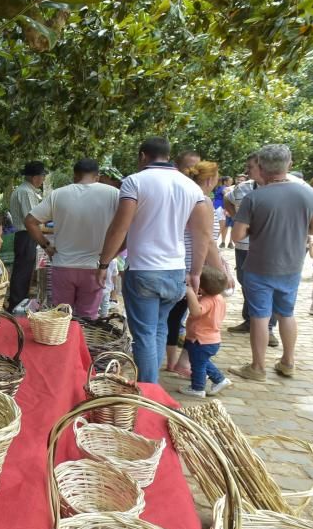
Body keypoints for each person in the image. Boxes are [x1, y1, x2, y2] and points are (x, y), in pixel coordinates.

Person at [97, 137, 212, 383]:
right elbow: (202, 233)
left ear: (142, 156)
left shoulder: (134, 182)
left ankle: (149, 391)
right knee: (159, 329)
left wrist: (104, 263)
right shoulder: (191, 187)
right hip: (175, 272)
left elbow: (120, 227)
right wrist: (196, 272)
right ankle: (153, 388)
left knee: (145, 335)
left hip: (144, 271)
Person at [230, 144, 313, 381]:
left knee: (260, 316)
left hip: (259, 265)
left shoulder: (254, 197)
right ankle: (288, 362)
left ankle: (258, 367)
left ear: (261, 167)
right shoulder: (310, 195)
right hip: (292, 264)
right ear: (289, 165)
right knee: (286, 313)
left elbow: (237, 236)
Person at [24, 158, 119, 319]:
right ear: (97, 176)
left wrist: (47, 246)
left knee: (61, 318)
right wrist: (110, 256)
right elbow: (126, 227)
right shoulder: (113, 194)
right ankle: (82, 343)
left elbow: (30, 221)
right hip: (95, 267)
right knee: (87, 318)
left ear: (75, 175)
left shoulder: (58, 194)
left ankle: (64, 344)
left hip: (63, 266)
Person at [165, 161, 235, 377]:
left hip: (182, 263)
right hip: (196, 267)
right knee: (199, 316)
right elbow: (208, 242)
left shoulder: (182, 197)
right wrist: (221, 273)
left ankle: (175, 361)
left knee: (176, 316)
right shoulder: (202, 201)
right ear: (210, 180)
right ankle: (183, 362)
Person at [223, 153, 283, 346]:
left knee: (268, 287)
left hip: (269, 248)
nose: (247, 170)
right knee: (246, 283)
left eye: (250, 167)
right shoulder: (243, 188)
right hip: (244, 246)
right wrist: (238, 218)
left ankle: (268, 328)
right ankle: (250, 320)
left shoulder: (281, 188)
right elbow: (227, 200)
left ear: (263, 167)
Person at [178, 266, 232, 398]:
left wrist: (190, 293)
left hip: (200, 340)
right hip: (212, 340)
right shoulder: (219, 298)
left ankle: (197, 388)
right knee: (202, 361)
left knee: (198, 365)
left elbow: (196, 312)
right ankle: (220, 380)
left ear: (201, 288)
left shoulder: (208, 301)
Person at [7, 161, 46, 311]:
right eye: (42, 176)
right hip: (26, 234)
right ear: (35, 177)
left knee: (24, 269)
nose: (43, 179)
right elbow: (32, 218)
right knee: (23, 270)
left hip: (26, 234)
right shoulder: (26, 192)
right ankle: (16, 304)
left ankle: (19, 302)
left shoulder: (27, 190)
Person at [214, 175, 232, 248]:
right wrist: (227, 209)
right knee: (220, 226)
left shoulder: (219, 187)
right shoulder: (224, 188)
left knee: (221, 226)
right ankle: (213, 243)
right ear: (225, 182)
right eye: (230, 181)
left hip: (217, 206)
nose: (231, 183)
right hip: (220, 208)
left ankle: (215, 242)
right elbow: (226, 196)